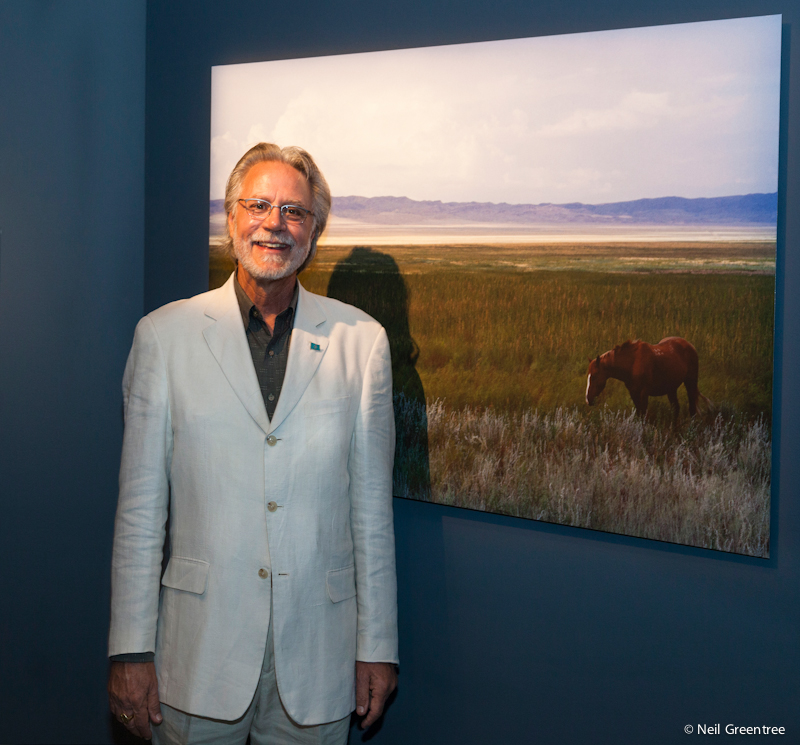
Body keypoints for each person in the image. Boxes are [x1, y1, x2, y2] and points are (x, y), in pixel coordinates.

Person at [107, 143, 398, 744]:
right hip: (196, 656)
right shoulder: (165, 337)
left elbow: (371, 515)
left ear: (314, 231)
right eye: (259, 205)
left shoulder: (361, 342)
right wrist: (129, 650)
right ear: (231, 218)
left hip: (319, 657)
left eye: (295, 211)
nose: (275, 224)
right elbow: (140, 515)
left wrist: (379, 646)